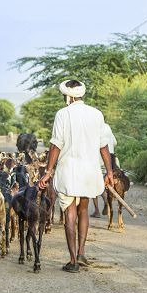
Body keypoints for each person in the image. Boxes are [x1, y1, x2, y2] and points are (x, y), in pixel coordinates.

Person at [39, 79, 113, 273]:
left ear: (68, 96)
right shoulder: (97, 114)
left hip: (69, 171)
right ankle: (81, 253)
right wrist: (110, 172)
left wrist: (48, 172)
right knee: (83, 209)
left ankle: (72, 262)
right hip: (90, 171)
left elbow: (56, 145)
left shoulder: (62, 114)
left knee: (69, 211)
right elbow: (103, 145)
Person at [91, 123, 118, 218]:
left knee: (95, 184)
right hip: (111, 159)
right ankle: (108, 201)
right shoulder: (107, 127)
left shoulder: (94, 127)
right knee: (106, 183)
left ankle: (97, 210)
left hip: (99, 159)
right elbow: (115, 142)